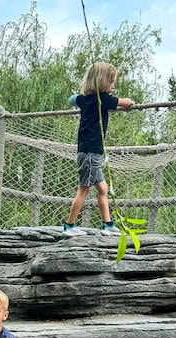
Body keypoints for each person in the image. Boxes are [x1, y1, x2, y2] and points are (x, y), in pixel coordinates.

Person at [63, 62, 134, 236]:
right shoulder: (104, 99)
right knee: (84, 189)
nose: (113, 86)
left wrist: (84, 96)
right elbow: (125, 102)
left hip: (89, 153)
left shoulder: (86, 100)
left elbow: (72, 99)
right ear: (102, 82)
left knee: (103, 189)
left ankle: (107, 224)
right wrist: (129, 103)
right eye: (111, 82)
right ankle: (69, 226)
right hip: (90, 153)